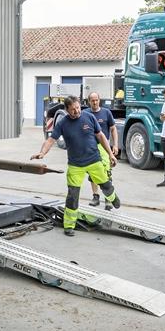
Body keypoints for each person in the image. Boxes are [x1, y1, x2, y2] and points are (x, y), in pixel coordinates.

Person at [31, 95, 120, 236]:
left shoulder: (89, 117)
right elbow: (51, 140)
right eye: (73, 110)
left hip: (94, 160)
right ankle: (69, 225)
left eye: (78, 108)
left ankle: (113, 197)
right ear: (66, 110)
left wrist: (110, 153)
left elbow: (101, 136)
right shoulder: (62, 123)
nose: (77, 111)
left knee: (106, 185)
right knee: (72, 196)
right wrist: (42, 153)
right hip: (75, 165)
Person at [85, 91, 120, 207]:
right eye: (92, 100)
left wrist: (115, 145)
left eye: (96, 100)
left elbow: (113, 129)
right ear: (89, 101)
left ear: (99, 100)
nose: (95, 102)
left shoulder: (106, 113)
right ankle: (95, 197)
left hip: (104, 148)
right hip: (90, 148)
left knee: (107, 172)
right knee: (93, 173)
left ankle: (108, 199)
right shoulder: (85, 113)